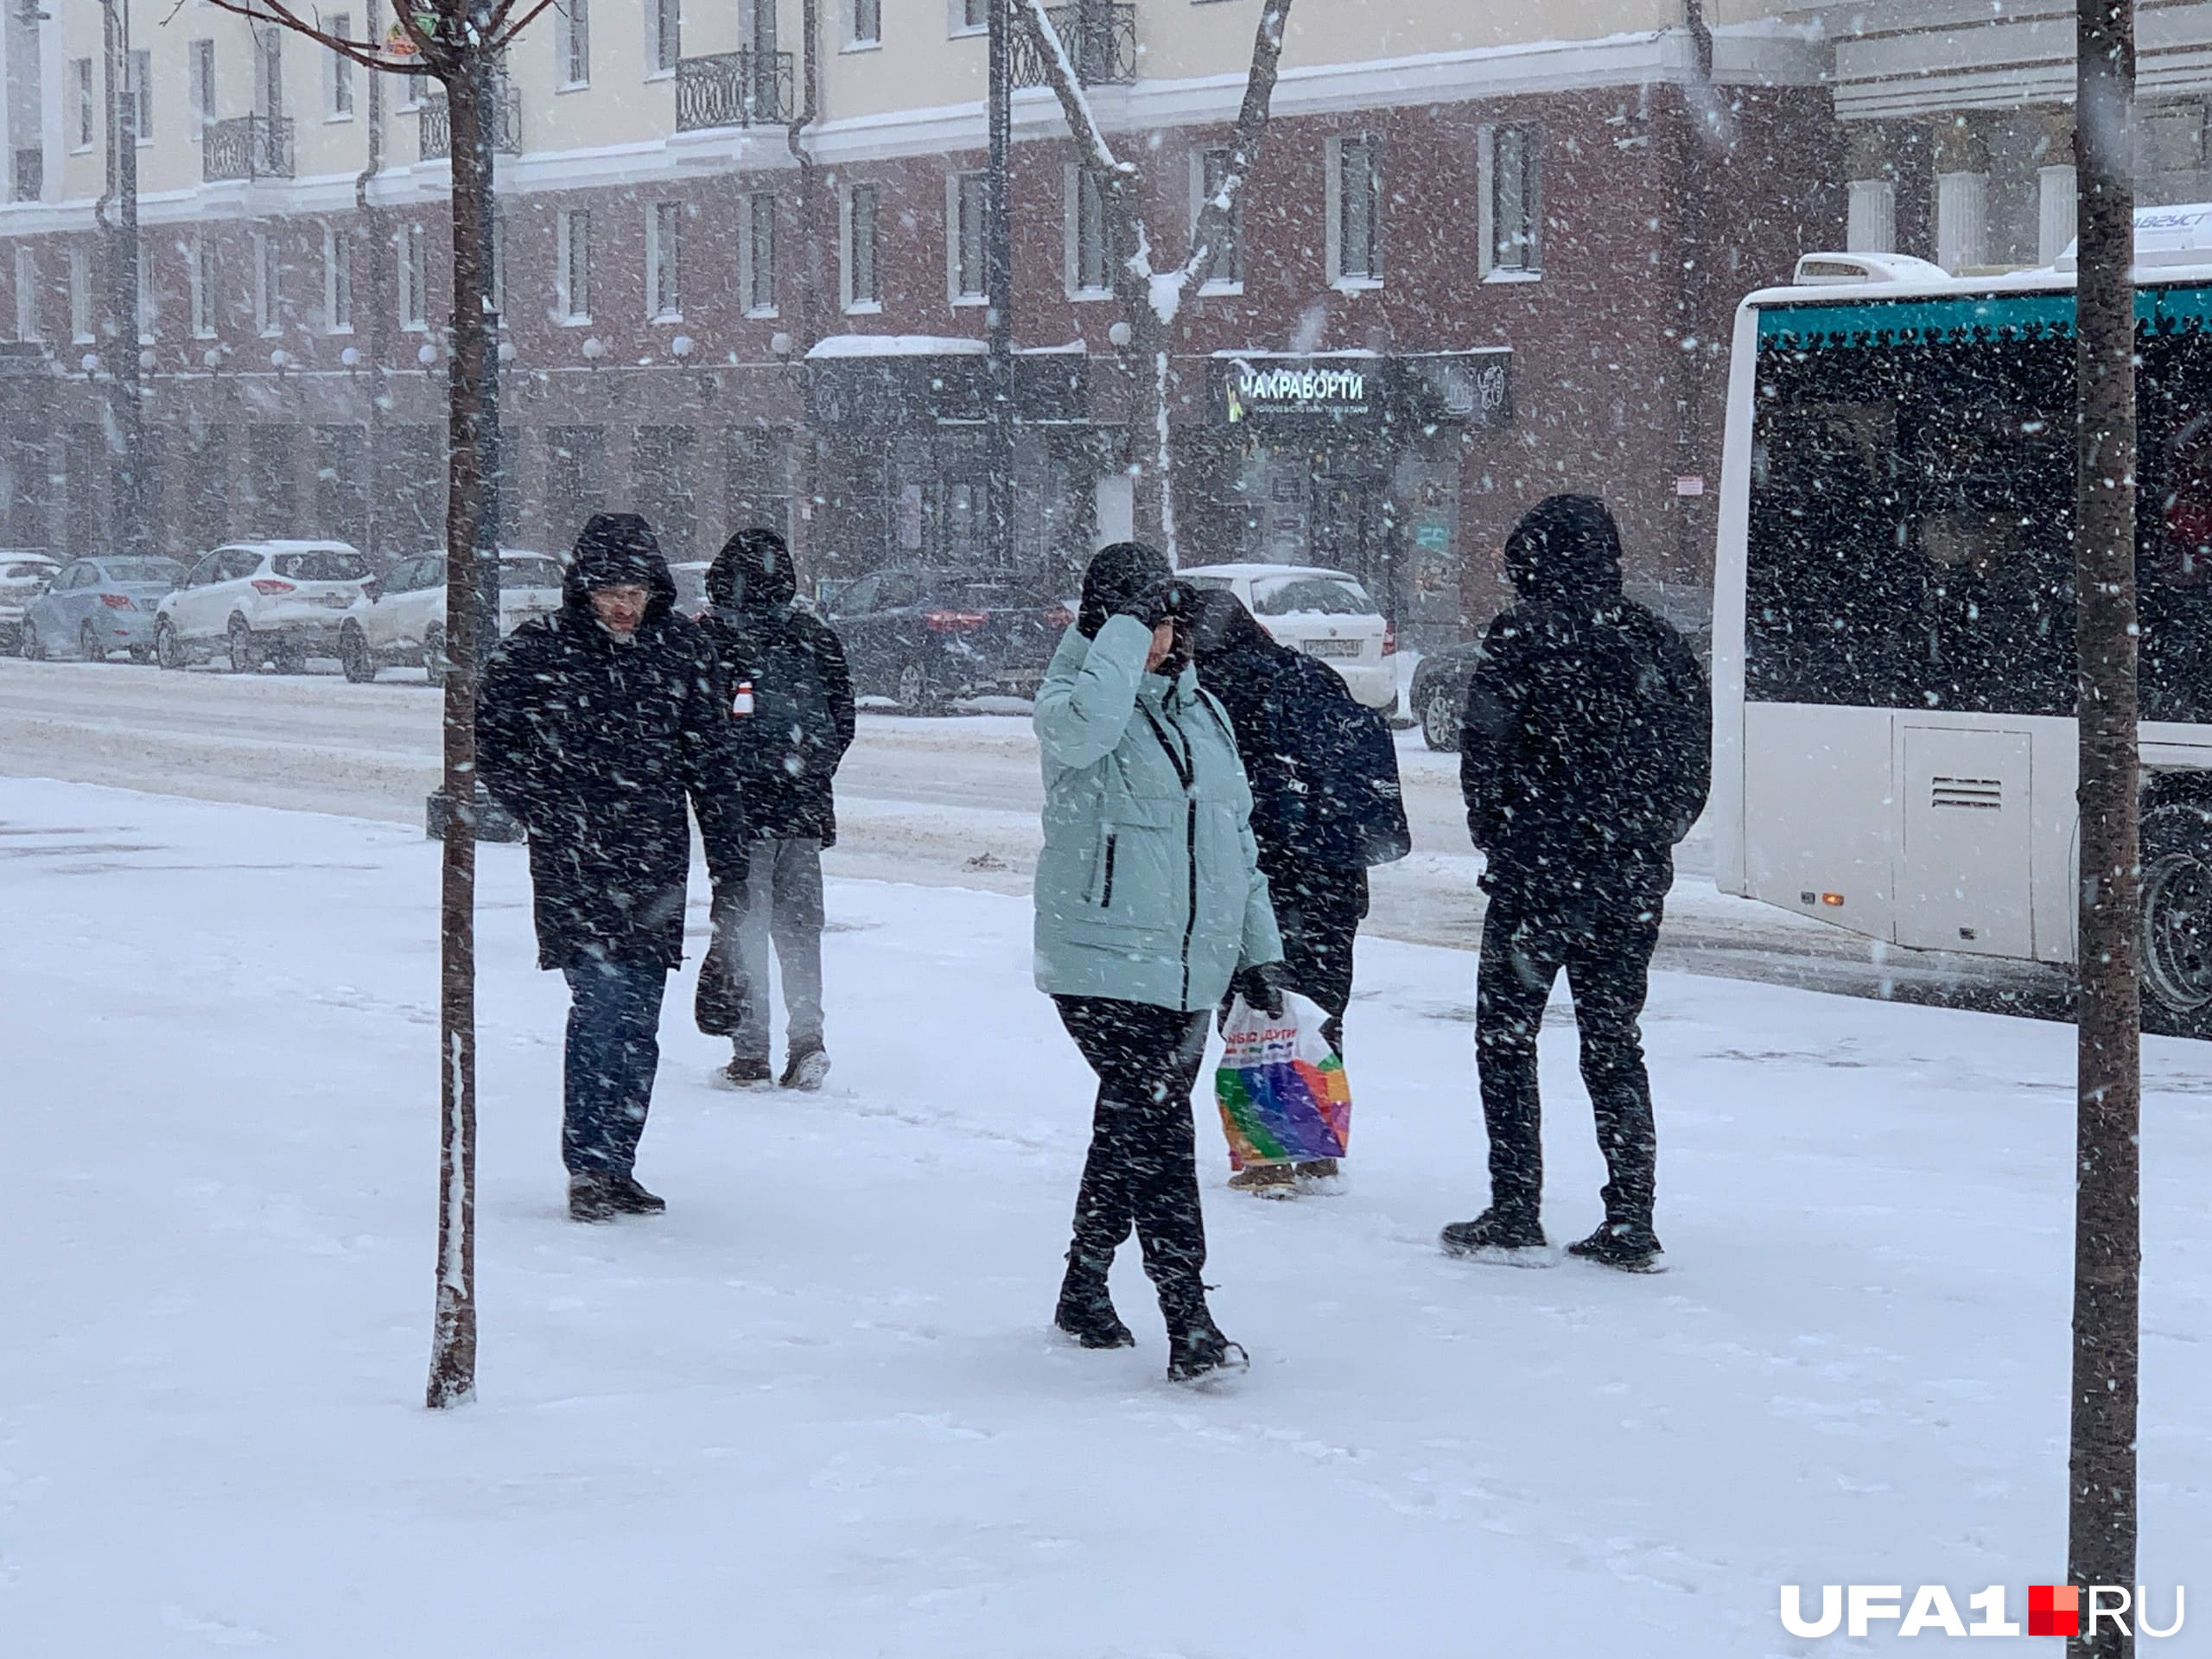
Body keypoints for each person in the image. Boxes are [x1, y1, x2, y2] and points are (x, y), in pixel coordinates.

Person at [1033, 541, 1285, 1383]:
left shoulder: (1198, 710)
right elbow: (1087, 729)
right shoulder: (1071, 701)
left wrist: (1258, 952)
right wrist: (1116, 631)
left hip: (1184, 969)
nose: (1167, 637)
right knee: (1158, 1128)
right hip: (1100, 961)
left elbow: (1232, 841)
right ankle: (1189, 1315)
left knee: (1130, 1123)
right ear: (1110, 623)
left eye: (1170, 622)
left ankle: (1083, 1287)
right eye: (1151, 623)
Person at [1440, 494, 1710, 1273]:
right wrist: (1646, 843)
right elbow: (1691, 769)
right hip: (1627, 882)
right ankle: (1631, 1215)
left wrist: (1506, 838)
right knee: (1614, 1040)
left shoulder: (1523, 638)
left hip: (1538, 879)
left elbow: (1485, 756)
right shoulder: (1657, 641)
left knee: (1506, 1038)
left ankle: (1516, 1205)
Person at [479, 512, 748, 1224]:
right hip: (574, 862)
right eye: (608, 592)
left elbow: (711, 764)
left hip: (655, 858)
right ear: (583, 591)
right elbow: (494, 741)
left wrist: (730, 867)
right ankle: (589, 1166)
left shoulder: (683, 652)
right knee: (600, 1008)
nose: (622, 605)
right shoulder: (539, 651)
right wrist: (547, 807)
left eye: (633, 590)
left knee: (640, 1020)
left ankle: (618, 1160)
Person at [1186, 588, 1411, 1194]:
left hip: (1256, 876)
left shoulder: (1206, 693)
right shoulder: (1310, 676)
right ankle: (1316, 1149)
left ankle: (1268, 1158)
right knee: (1317, 1010)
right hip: (1332, 876)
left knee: (1253, 1009)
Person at [694, 527, 857, 1090]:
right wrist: (807, 776)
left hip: (740, 819)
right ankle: (807, 1039)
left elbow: (697, 728)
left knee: (745, 930)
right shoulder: (813, 635)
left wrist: (721, 787)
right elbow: (842, 719)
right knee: (800, 932)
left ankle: (750, 1051)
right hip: (803, 812)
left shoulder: (710, 637)